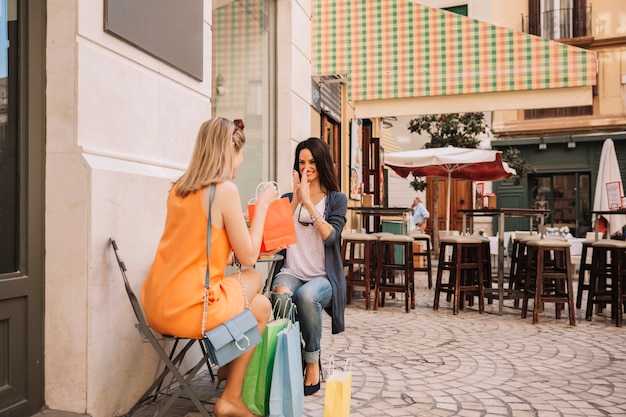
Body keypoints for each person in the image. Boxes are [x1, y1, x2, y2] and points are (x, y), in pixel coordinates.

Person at [141, 117, 276, 417]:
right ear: (228, 150)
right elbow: (251, 256)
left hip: (156, 303)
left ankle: (229, 385)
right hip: (192, 310)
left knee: (261, 306)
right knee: (254, 278)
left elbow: (191, 248)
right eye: (240, 153)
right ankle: (229, 396)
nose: (241, 161)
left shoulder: (178, 189)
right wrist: (263, 206)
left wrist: (224, 246)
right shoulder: (224, 190)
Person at [270, 137, 347, 396]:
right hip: (292, 271)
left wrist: (309, 204)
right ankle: (295, 354)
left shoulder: (336, 199)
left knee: (307, 295)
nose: (307, 167)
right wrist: (295, 200)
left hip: (323, 277)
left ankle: (312, 361)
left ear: (322, 162)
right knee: (280, 295)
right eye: (302, 162)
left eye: (312, 161)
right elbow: (277, 237)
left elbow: (331, 237)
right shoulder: (287, 197)